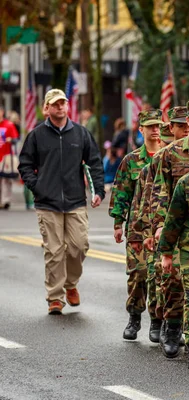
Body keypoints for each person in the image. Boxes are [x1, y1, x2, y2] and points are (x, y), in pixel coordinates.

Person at [18, 89, 105, 315]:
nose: (60, 107)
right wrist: (38, 186)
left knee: (79, 246)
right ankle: (55, 298)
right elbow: (25, 165)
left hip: (76, 200)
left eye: (62, 103)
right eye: (55, 104)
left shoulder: (81, 134)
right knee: (54, 251)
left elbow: (94, 162)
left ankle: (71, 284)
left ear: (67, 106)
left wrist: (98, 191)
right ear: (46, 108)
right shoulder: (36, 135)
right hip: (47, 203)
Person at [153, 101, 189, 358]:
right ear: (187, 121)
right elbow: (160, 192)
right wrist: (159, 226)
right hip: (179, 228)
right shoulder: (171, 152)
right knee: (174, 279)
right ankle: (173, 326)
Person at [109, 109, 163, 341]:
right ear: (141, 130)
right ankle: (134, 316)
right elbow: (121, 192)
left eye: (157, 126)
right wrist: (118, 223)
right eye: (149, 126)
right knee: (139, 274)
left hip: (162, 228)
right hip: (138, 229)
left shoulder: (168, 156)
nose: (154, 130)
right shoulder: (131, 161)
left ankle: (158, 322)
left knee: (160, 276)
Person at [127, 122, 175, 344]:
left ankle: (164, 322)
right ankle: (136, 316)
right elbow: (140, 202)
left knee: (165, 277)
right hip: (151, 228)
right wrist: (135, 232)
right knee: (142, 273)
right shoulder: (144, 165)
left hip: (176, 229)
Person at [0, 105, 20, 209]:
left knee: (5, 179)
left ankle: (5, 200)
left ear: (2, 112)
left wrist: (10, 140)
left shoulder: (9, 125)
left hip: (6, 155)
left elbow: (16, 139)